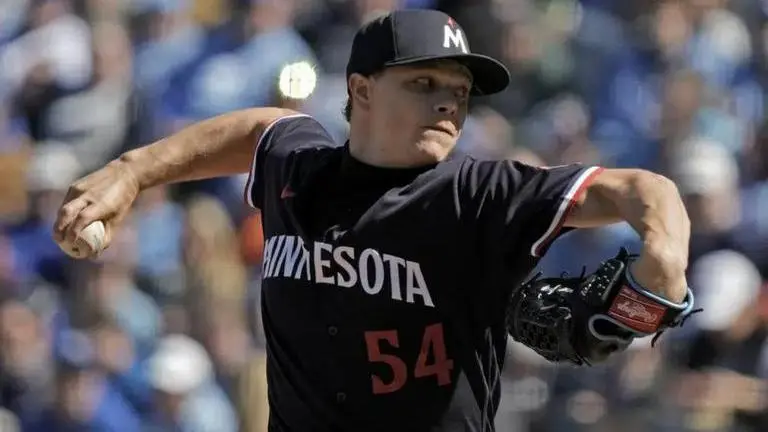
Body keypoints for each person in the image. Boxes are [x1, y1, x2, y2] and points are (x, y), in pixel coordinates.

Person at [53, 9, 693, 432]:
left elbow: (647, 189)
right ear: (360, 90)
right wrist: (133, 170)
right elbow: (258, 128)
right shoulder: (298, 169)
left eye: (461, 91)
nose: (448, 100)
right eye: (424, 82)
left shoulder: (479, 193)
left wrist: (663, 258)